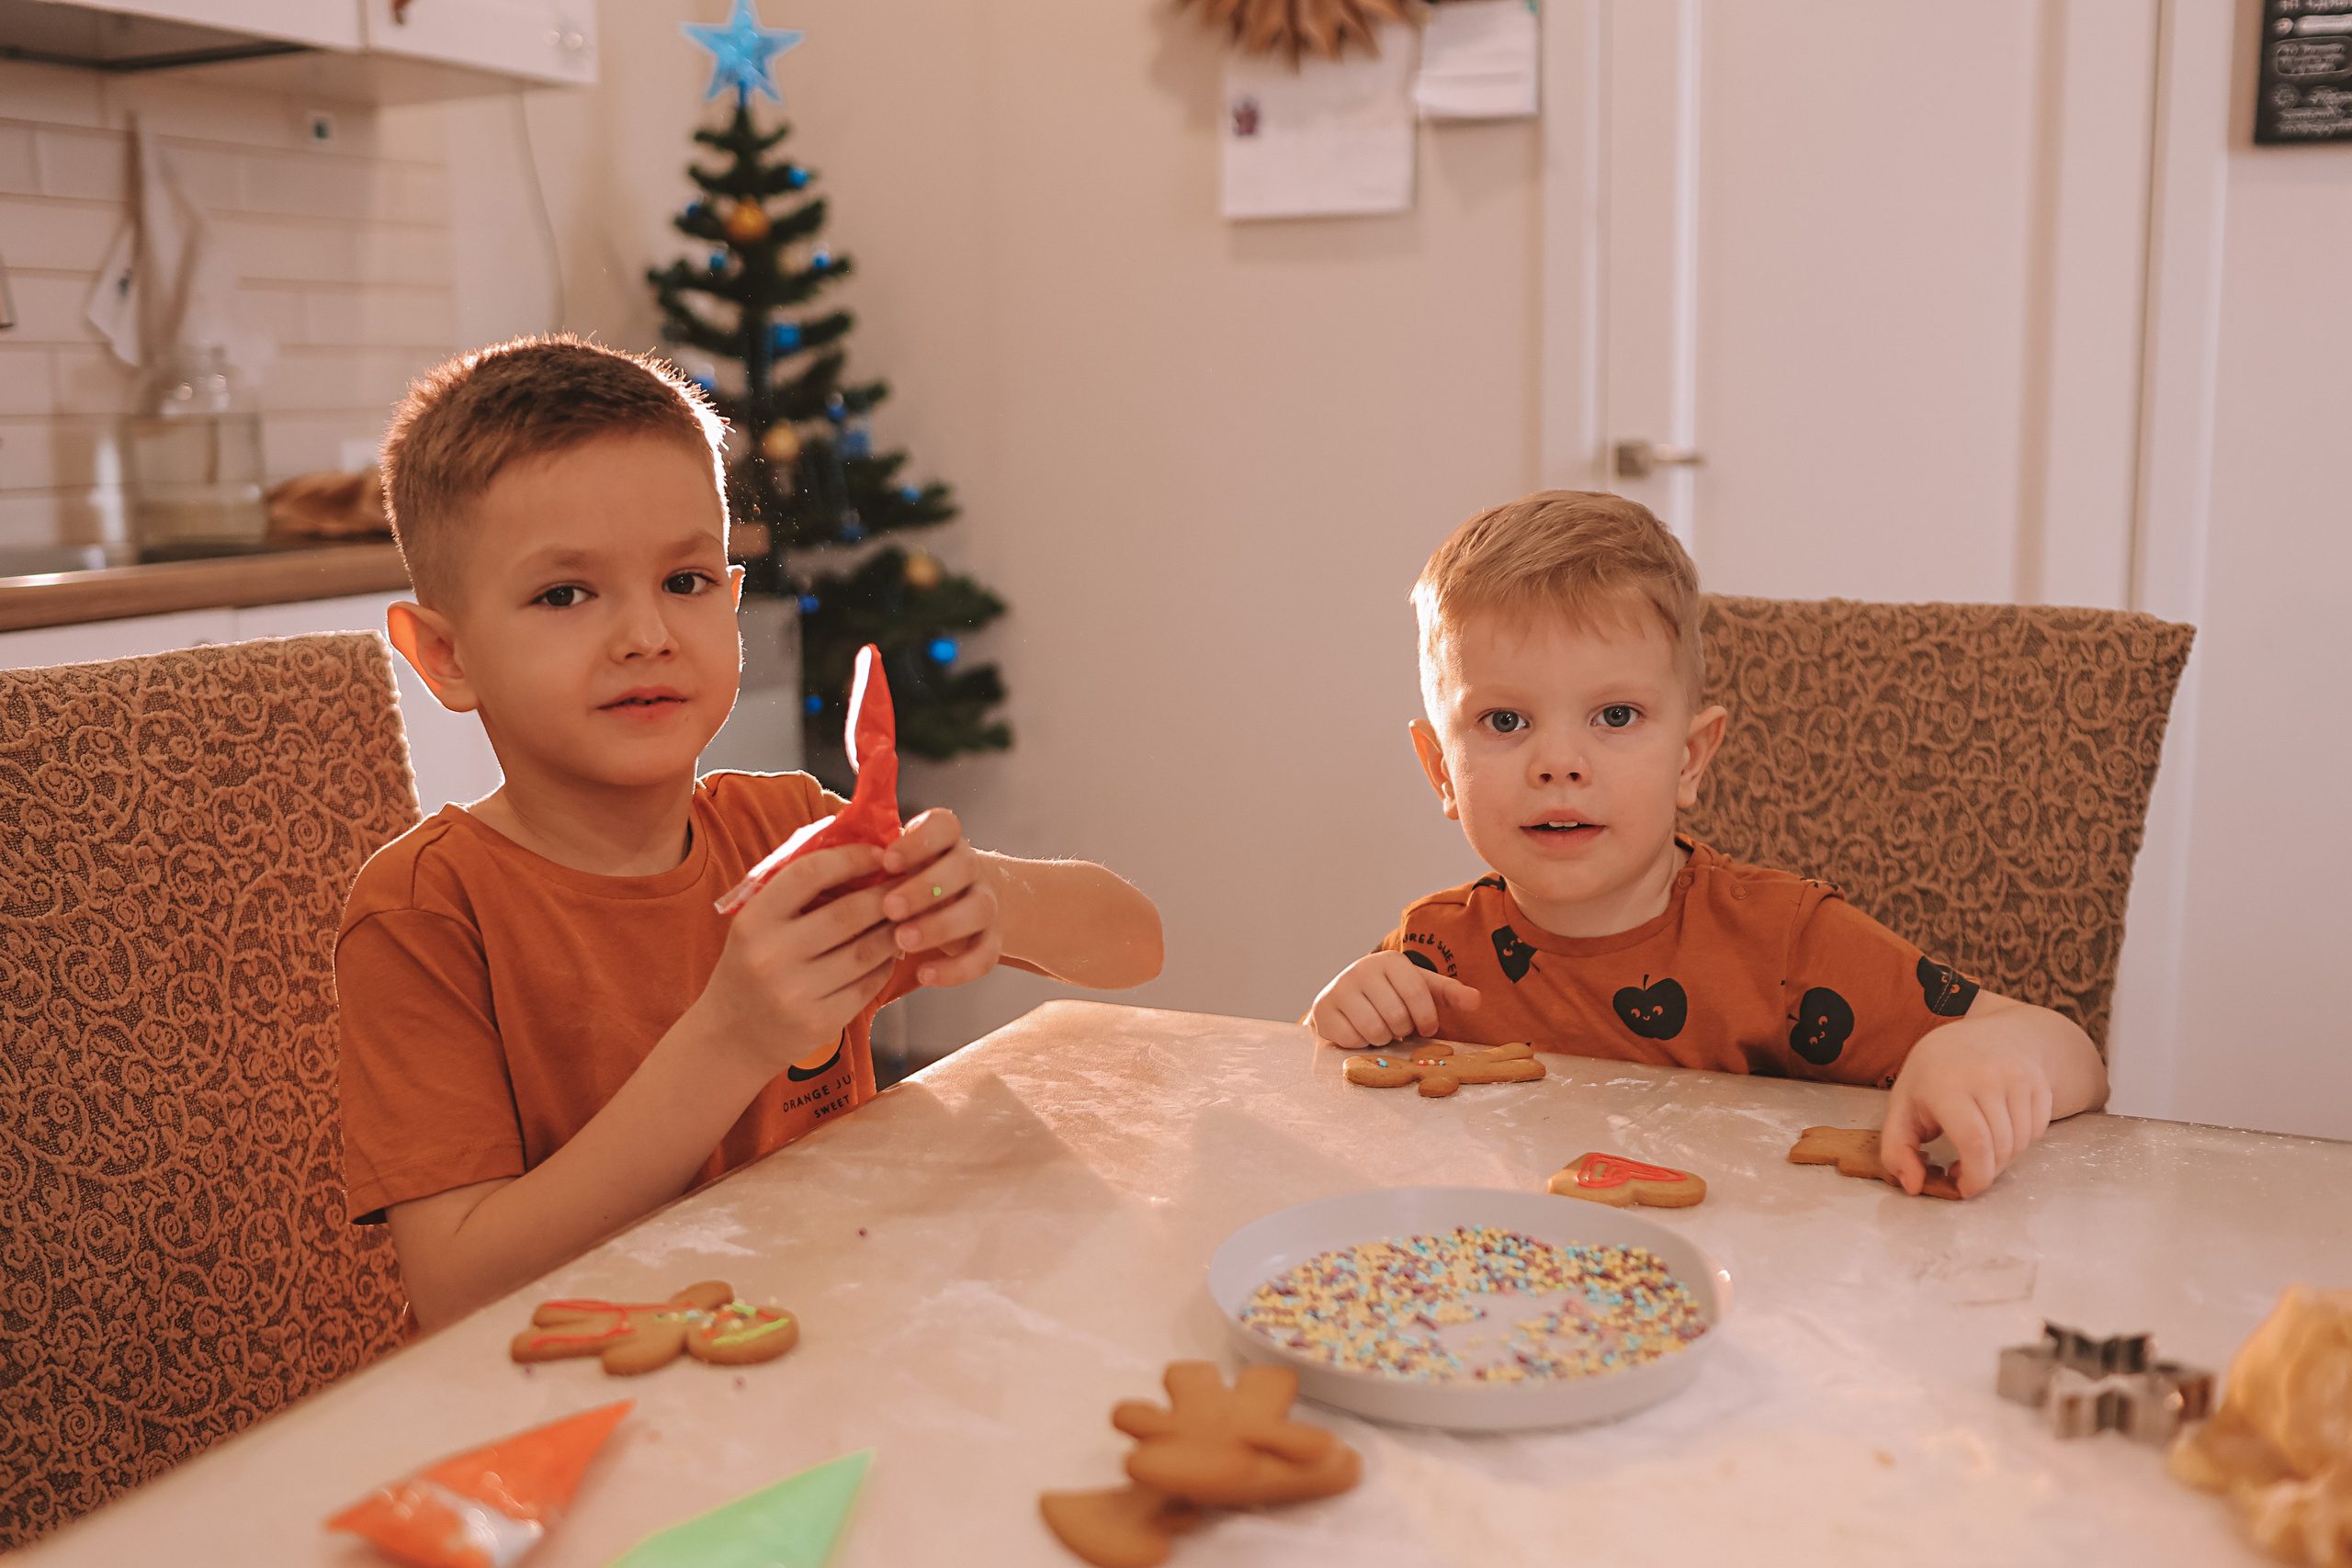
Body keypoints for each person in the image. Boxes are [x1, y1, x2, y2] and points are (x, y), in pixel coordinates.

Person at [340, 335, 1162, 1329]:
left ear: (733, 602)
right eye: (565, 594)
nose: (645, 632)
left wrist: (989, 894)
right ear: (443, 655)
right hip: (574, 1405)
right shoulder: (427, 912)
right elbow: (460, 1289)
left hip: (827, 1337)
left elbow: (1134, 943)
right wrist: (730, 1039)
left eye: (685, 581)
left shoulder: (794, 831)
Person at [1308, 491, 2105, 1198]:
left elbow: (2078, 1056)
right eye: (1505, 721)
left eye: (1615, 716)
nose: (1559, 762)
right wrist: (1346, 1009)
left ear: (1690, 757)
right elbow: (1349, 1115)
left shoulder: (1787, 941)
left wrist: (1991, 1059)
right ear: (1440, 770)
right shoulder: (1433, 951)